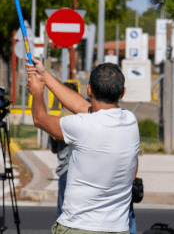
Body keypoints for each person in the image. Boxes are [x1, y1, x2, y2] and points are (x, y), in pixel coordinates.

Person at [26, 59, 139, 234]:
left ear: (89, 89)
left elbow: (39, 119)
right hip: (118, 229)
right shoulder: (130, 121)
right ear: (122, 93)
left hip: (79, 227)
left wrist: (37, 92)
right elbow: (81, 106)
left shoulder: (82, 125)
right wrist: (44, 75)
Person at [47, 81, 79, 219]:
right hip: (79, 172)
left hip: (64, 172)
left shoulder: (57, 121)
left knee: (63, 215)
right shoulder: (82, 119)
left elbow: (53, 149)